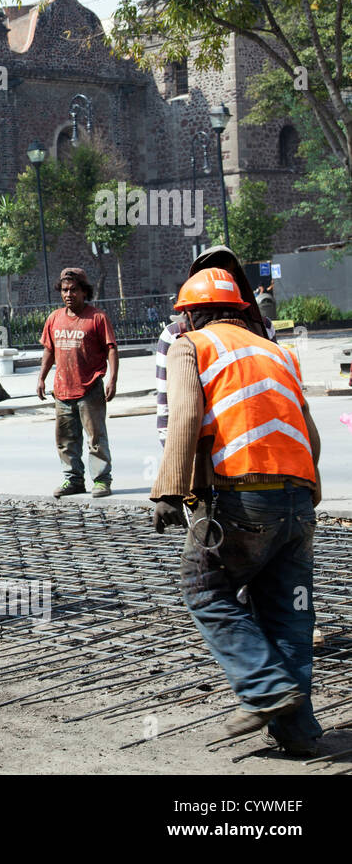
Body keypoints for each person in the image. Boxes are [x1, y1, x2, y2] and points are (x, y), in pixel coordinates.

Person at [150, 267, 323, 757]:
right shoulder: (277, 350)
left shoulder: (194, 345)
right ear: (242, 309)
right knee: (288, 615)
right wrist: (308, 495)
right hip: (297, 499)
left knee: (204, 587)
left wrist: (168, 489)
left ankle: (264, 687)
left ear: (194, 313)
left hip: (241, 496)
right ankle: (301, 732)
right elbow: (308, 432)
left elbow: (184, 416)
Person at [155, 246, 275, 445]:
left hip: (259, 437)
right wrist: (171, 449)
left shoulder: (262, 329)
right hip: (204, 444)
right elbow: (167, 406)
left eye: (227, 273)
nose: (219, 280)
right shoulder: (176, 335)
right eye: (211, 274)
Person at [37, 267, 118, 498]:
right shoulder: (54, 318)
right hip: (62, 390)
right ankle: (73, 480)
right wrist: (41, 378)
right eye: (64, 290)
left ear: (84, 292)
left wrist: (113, 378)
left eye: (73, 290)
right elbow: (49, 350)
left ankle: (102, 480)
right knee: (65, 440)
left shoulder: (97, 318)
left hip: (90, 388)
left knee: (96, 438)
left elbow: (111, 349)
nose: (68, 294)